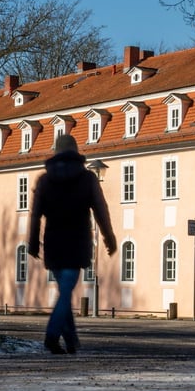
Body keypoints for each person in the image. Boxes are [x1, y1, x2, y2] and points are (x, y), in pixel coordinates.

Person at [29, 134, 116, 355]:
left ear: (56, 152)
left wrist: (32, 240)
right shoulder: (87, 178)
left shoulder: (45, 180)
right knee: (66, 291)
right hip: (77, 241)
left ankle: (70, 340)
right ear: (76, 152)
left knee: (64, 290)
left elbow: (35, 214)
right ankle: (51, 335)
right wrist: (109, 237)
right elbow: (100, 209)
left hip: (54, 242)